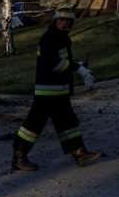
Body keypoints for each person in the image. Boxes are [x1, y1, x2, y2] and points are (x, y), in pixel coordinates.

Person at [11, 9, 101, 171]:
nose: (65, 23)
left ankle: (80, 153)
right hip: (47, 91)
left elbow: (62, 60)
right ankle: (19, 157)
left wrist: (78, 65)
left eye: (68, 21)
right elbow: (53, 64)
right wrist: (77, 68)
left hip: (59, 90)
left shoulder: (61, 38)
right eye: (61, 20)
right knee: (33, 126)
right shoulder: (50, 38)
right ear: (55, 21)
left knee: (68, 123)